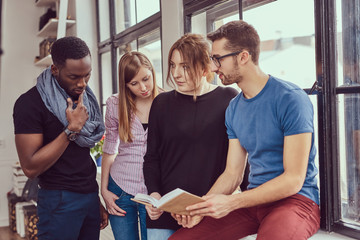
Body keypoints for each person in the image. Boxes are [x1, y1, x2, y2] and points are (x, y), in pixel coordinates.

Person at [169, 20, 320, 240]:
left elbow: (293, 179)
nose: (212, 67)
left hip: (296, 201)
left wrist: (232, 202)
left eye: (218, 59)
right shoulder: (234, 109)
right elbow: (232, 174)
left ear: (243, 57)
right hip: (253, 203)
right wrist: (200, 209)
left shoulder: (290, 99)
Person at [143, 33, 239, 240]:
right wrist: (154, 196)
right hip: (166, 211)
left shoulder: (228, 99)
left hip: (209, 212)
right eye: (173, 65)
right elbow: (151, 158)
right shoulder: (161, 103)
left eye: (185, 66)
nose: (176, 73)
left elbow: (239, 165)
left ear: (205, 68)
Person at [13, 36, 108, 240]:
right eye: (74, 76)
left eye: (87, 75)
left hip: (89, 196)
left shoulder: (84, 101)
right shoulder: (30, 104)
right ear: (55, 69)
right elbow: (30, 168)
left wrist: (95, 199)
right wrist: (70, 130)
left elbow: (80, 158)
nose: (82, 83)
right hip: (58, 200)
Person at [100, 51, 159, 240]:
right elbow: (110, 149)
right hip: (121, 189)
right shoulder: (115, 104)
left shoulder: (166, 101)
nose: (143, 87)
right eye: (134, 83)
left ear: (152, 72)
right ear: (125, 84)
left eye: (146, 79)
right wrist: (104, 190)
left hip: (154, 193)